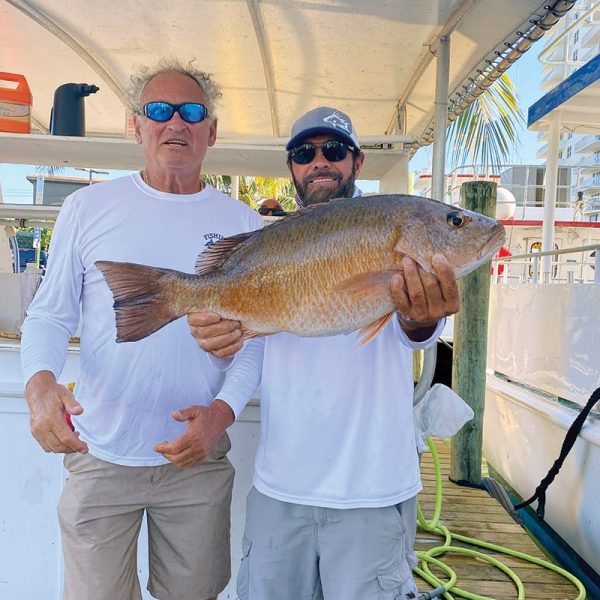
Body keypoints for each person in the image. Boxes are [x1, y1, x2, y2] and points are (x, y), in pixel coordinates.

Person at [188, 106, 460, 599]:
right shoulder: (270, 239)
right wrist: (218, 359)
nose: (320, 162)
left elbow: (416, 328)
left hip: (373, 492)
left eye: (333, 151)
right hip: (280, 487)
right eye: (304, 153)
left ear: (356, 162)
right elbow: (249, 351)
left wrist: (423, 316)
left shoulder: (394, 229)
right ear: (291, 166)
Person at [20, 59, 262, 600]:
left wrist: (218, 419)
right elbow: (50, 314)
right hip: (99, 453)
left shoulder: (244, 223)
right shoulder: (87, 208)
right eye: (159, 110)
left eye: (192, 111)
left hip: (196, 461)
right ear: (136, 125)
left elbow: (253, 343)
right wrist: (40, 385)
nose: (175, 122)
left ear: (212, 130)